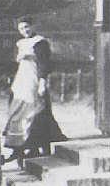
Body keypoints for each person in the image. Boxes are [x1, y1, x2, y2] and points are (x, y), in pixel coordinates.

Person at [4, 16, 67, 163]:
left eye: (27, 27)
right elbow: (15, 62)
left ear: (33, 26)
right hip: (21, 79)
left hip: (34, 78)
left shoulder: (40, 42)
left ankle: (36, 145)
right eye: (21, 28)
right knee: (18, 110)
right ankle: (19, 146)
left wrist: (42, 81)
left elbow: (44, 64)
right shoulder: (19, 43)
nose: (24, 31)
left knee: (35, 111)